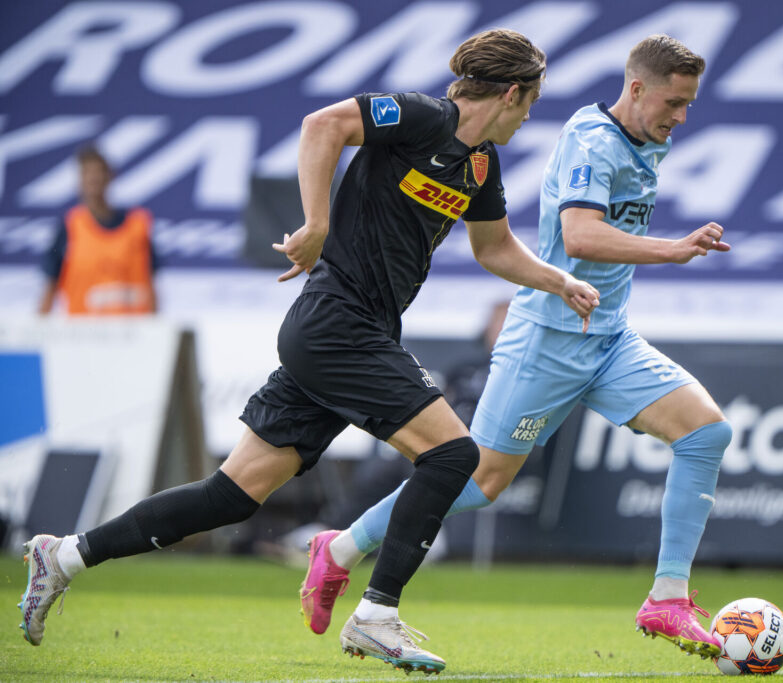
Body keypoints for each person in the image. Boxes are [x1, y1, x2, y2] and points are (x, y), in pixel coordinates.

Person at [19, 28, 599, 675]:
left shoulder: (480, 162)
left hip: (350, 333)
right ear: (514, 92)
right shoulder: (422, 116)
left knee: (231, 494)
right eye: (530, 106)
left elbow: (494, 248)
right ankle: (377, 613)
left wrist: (561, 279)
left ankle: (64, 555)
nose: (527, 121)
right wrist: (317, 221)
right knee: (454, 452)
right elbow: (322, 124)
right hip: (335, 324)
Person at [298, 34, 733, 661]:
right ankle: (337, 548)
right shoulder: (592, 141)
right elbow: (579, 236)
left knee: (705, 434)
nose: (682, 116)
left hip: (607, 337)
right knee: (479, 480)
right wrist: (674, 248)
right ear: (636, 89)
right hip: (547, 342)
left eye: (689, 104)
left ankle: (667, 597)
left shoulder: (646, 141)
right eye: (674, 102)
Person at [38, 144, 157, 315]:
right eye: (87, 173)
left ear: (110, 176)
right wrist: (37, 330)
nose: (94, 179)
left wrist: (155, 331)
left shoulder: (138, 225)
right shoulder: (69, 226)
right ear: (79, 180)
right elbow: (50, 283)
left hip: (132, 332)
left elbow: (151, 282)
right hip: (85, 333)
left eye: (98, 172)